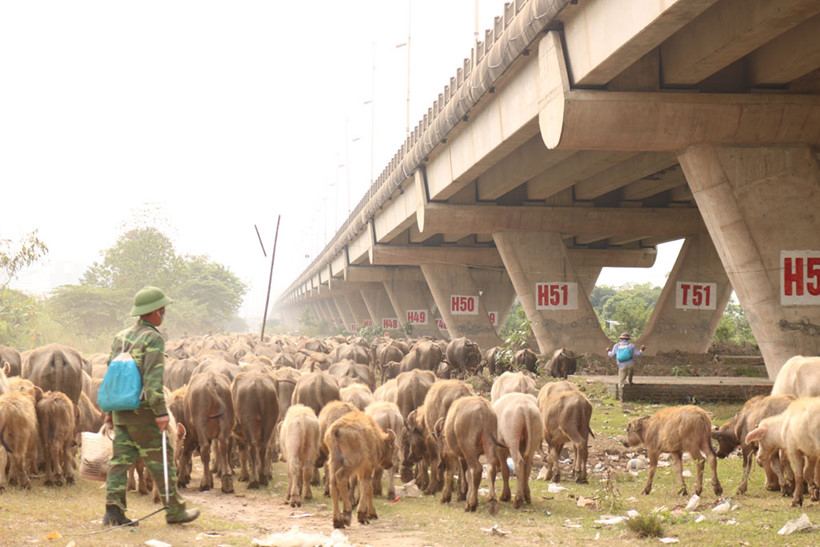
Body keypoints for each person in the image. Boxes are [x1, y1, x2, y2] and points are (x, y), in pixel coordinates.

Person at [102, 286, 199, 527]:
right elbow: (153, 380)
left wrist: (110, 413)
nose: (163, 315)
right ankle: (175, 511)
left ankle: (113, 512)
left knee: (119, 463)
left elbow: (111, 375)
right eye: (162, 311)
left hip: (122, 411)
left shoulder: (120, 337)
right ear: (154, 312)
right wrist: (161, 412)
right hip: (144, 414)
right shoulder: (153, 338)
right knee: (163, 461)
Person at [607, 332, 646, 402]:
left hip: (622, 365)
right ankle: (630, 381)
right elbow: (638, 355)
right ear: (628, 339)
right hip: (631, 364)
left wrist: (608, 351)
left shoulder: (616, 346)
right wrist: (641, 350)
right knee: (631, 370)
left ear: (621, 338)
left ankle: (621, 399)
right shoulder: (631, 345)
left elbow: (612, 355)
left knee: (621, 382)